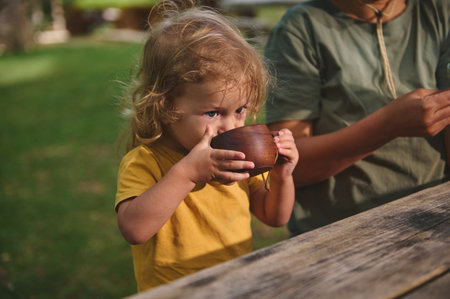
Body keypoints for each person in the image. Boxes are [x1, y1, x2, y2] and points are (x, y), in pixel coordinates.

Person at [115, 0, 299, 292]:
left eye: (239, 110)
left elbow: (274, 217)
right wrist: (186, 174)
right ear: (166, 108)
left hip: (237, 286)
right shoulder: (146, 160)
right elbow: (134, 229)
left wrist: (282, 175)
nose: (230, 126)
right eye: (213, 113)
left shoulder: (234, 158)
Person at [264, 0, 450, 236]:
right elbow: (290, 164)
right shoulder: (301, 28)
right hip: (338, 233)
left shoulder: (440, 12)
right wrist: (388, 124)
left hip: (435, 219)